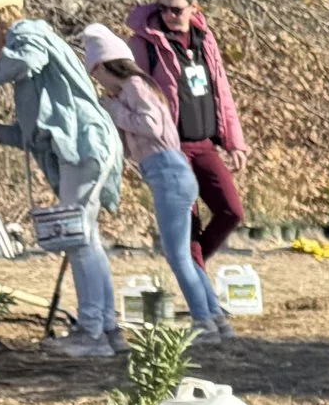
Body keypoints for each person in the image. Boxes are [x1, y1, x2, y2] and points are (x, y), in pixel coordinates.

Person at [0, 0, 124, 355]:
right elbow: (32, 135)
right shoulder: (23, 67)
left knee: (77, 240)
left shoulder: (28, 33)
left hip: (85, 142)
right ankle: (108, 330)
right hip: (82, 146)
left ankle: (91, 333)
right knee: (86, 239)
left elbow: (25, 60)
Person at [74, 22, 227, 335]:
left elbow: (151, 125)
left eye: (96, 74)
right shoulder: (135, 90)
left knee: (177, 255)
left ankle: (204, 323)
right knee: (183, 252)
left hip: (168, 172)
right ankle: (216, 319)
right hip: (169, 173)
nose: (98, 82)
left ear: (104, 65)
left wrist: (114, 110)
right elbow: (135, 142)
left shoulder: (133, 85)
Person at [126, 0, 244, 265]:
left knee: (231, 211)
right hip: (170, 148)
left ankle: (189, 271)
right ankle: (201, 297)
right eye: (162, 8)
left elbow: (221, 90)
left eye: (176, 9)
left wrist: (234, 142)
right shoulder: (144, 44)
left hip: (203, 143)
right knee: (188, 225)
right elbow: (133, 95)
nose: (168, 15)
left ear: (194, 7)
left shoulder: (205, 40)